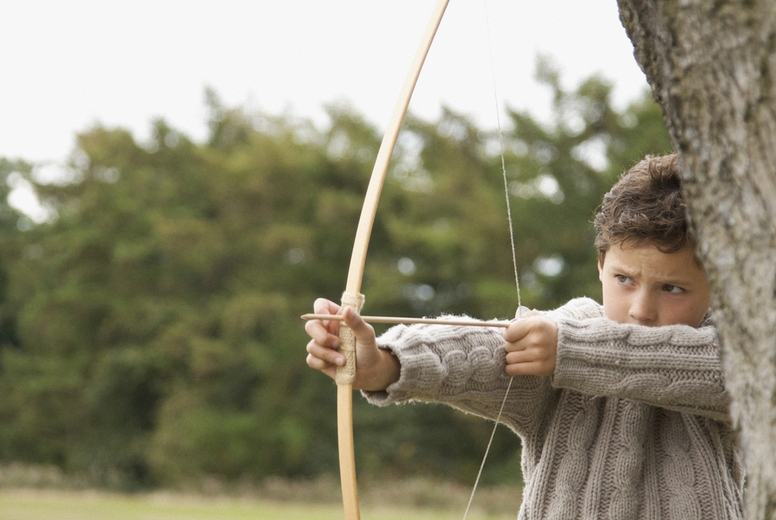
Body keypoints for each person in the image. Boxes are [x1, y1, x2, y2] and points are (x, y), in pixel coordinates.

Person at [305, 154, 744, 520]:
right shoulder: (570, 329)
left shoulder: (734, 351)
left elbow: (730, 374)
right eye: (624, 279)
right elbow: (486, 353)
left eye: (672, 288)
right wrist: (385, 363)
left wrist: (571, 352)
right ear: (600, 266)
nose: (641, 310)